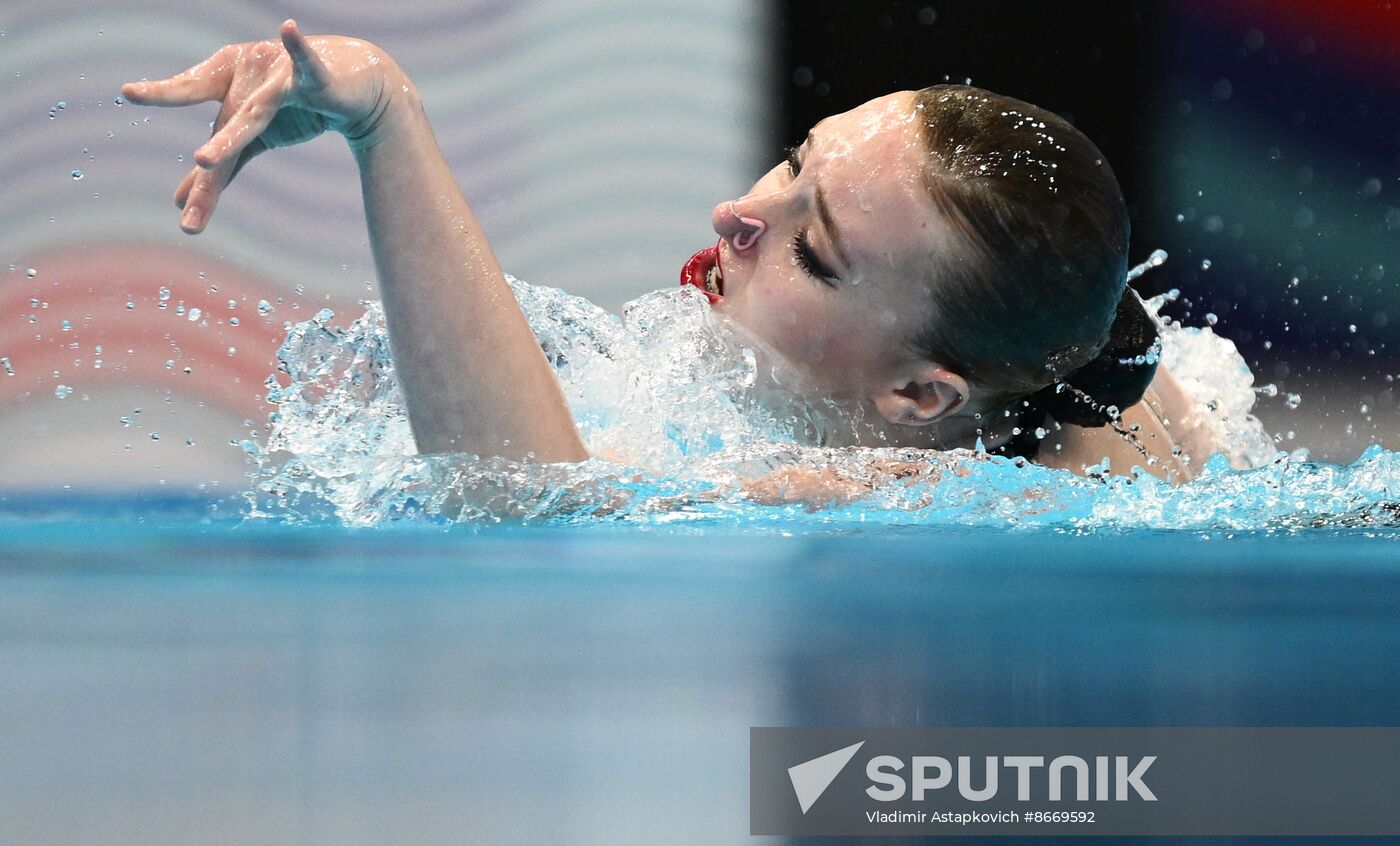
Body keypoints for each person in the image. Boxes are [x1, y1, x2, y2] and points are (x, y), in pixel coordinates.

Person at [122, 20, 1214, 505]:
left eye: (813, 250)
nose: (735, 212)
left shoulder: (893, 492)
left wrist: (385, 123)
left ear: (919, 395)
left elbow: (515, 502)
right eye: (791, 162)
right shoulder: (1061, 353)